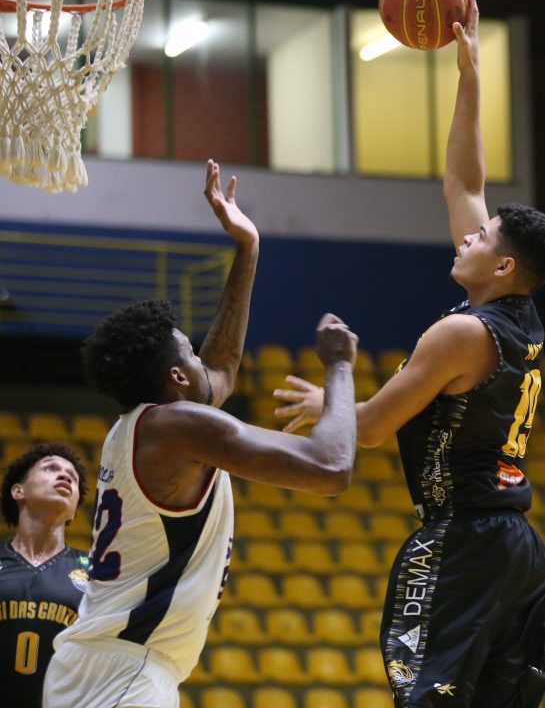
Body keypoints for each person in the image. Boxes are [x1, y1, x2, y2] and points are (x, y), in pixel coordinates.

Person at [274, 0, 545, 708]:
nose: (467, 235)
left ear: (503, 266)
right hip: (518, 549)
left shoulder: (460, 333)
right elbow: (465, 181)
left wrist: (332, 391)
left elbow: (372, 429)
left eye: (481, 237)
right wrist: (469, 74)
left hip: (465, 538)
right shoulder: (518, 316)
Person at [42, 160, 360, 708]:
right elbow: (331, 467)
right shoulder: (176, 426)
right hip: (124, 670)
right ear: (175, 377)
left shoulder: (146, 428)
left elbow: (223, 366)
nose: (201, 358)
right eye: (190, 351)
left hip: (108, 666)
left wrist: (248, 248)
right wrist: (339, 367)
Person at [0, 443, 89, 707]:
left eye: (72, 477)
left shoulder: (97, 571)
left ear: (74, 509)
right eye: (51, 468)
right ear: (18, 491)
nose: (64, 476)